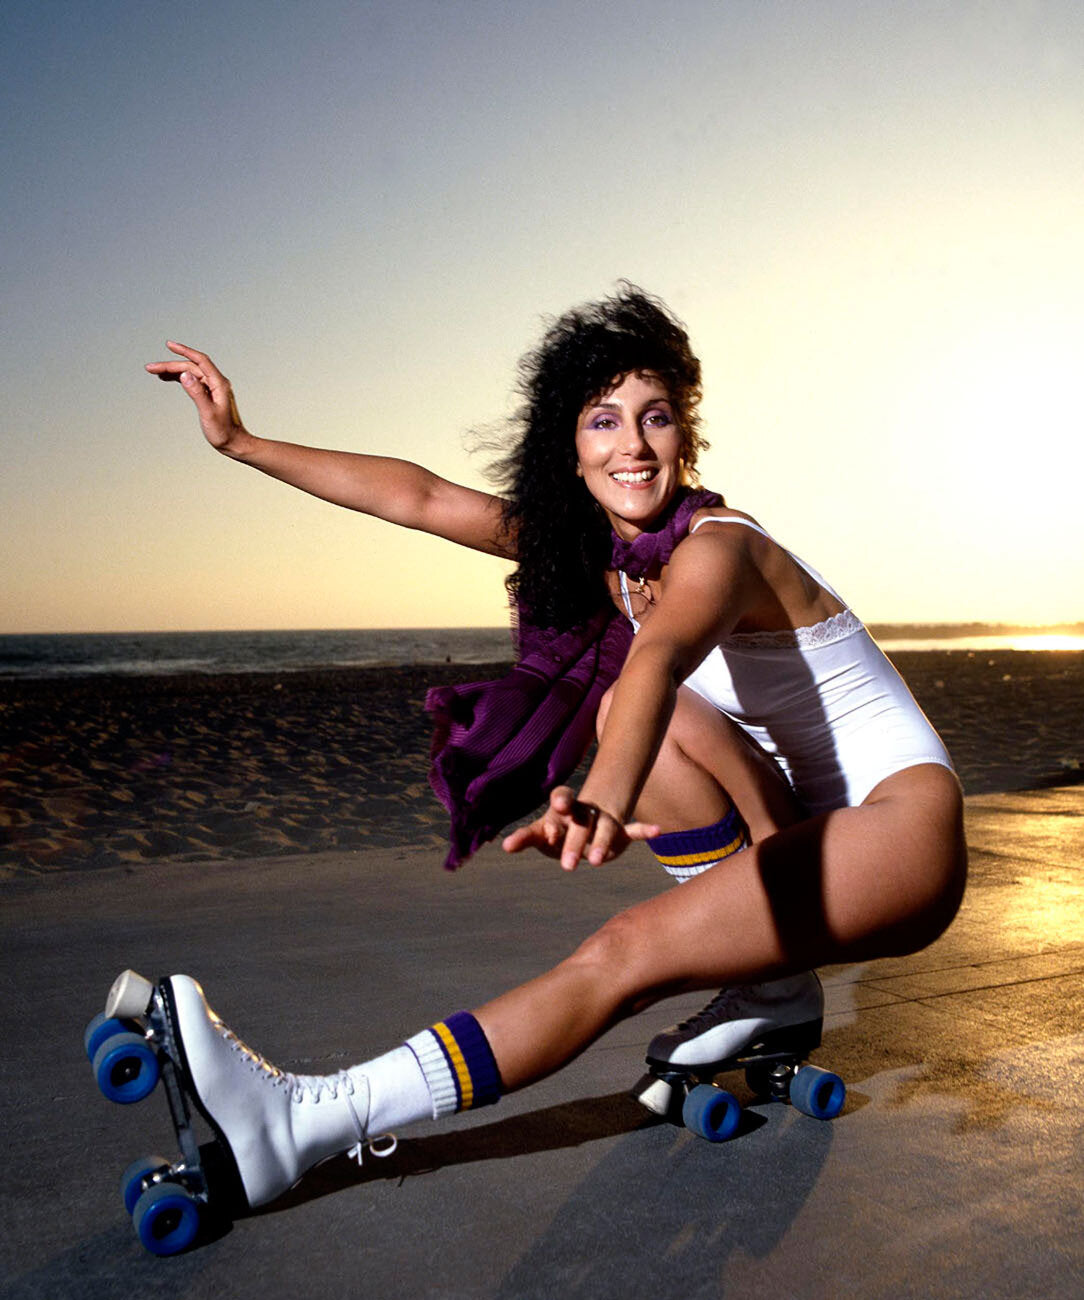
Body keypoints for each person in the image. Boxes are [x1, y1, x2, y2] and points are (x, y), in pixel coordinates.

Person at [137, 287, 966, 1210]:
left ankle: (308, 1120)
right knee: (619, 709)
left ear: (685, 436)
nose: (633, 446)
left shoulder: (720, 548)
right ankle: (774, 986)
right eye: (604, 421)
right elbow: (418, 497)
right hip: (803, 830)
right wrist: (243, 443)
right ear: (571, 451)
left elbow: (659, 662)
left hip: (901, 837)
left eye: (656, 418)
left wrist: (604, 799)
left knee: (624, 948)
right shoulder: (606, 559)